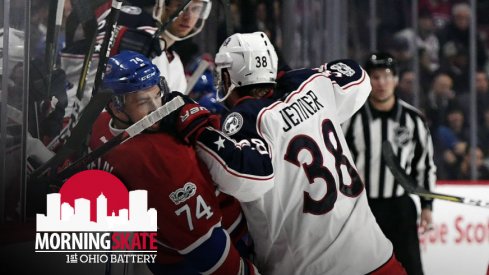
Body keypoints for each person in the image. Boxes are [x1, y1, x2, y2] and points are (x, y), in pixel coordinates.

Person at [170, 32, 406, 274]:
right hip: (377, 258)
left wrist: (200, 130)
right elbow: (357, 78)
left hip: (311, 268)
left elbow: (250, 179)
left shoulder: (248, 117)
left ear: (228, 75)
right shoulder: (311, 83)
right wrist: (298, 75)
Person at [89, 51, 257, 274]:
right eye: (142, 102)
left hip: (219, 242)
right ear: (116, 107)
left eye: (157, 95)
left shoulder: (163, 156)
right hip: (170, 252)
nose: (156, 108)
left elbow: (210, 252)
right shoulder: (108, 132)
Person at [342, 52, 436, 275]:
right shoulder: (352, 118)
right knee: (362, 267)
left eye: (386, 76)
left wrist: (427, 206)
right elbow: (340, 161)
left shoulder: (413, 119)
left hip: (400, 208)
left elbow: (424, 165)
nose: (381, 83)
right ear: (367, 81)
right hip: (364, 208)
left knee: (410, 267)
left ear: (395, 79)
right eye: (375, 77)